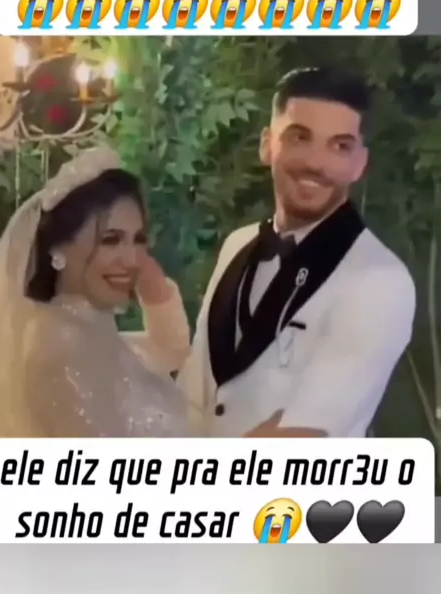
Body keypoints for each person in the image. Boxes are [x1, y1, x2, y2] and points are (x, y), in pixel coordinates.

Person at [177, 66, 416, 438]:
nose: (315, 163)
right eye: (300, 138)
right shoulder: (237, 244)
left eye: (340, 146)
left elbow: (302, 435)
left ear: (360, 164)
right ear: (267, 144)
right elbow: (193, 393)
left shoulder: (381, 280)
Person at [0, 146, 192, 496]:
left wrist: (155, 288)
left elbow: (170, 350)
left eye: (139, 240)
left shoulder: (91, 328)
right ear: (58, 249)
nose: (131, 258)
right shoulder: (57, 342)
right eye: (110, 240)